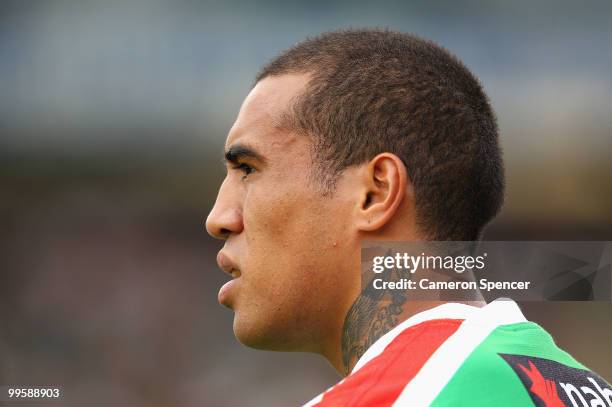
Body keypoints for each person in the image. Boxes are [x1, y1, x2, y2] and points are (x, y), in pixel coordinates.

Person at [206, 29, 611, 406]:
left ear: (374, 193)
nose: (219, 218)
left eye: (248, 170)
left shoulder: (397, 396)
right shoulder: (583, 389)